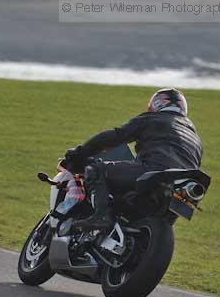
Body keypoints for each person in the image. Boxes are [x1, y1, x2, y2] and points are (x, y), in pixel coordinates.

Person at [61, 87, 203, 231]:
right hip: (186, 186)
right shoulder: (195, 137)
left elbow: (115, 136)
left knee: (96, 169)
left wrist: (80, 152)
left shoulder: (152, 118)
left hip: (155, 170)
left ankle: (101, 216)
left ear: (158, 103)